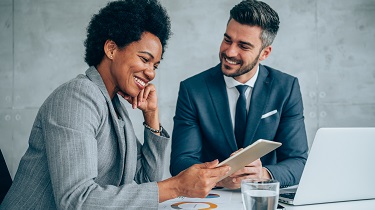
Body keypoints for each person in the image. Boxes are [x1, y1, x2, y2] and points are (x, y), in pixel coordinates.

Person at [0, 1, 230, 209]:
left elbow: (145, 183)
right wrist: (176, 186)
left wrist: (151, 118)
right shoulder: (77, 98)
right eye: (145, 59)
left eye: (156, 66)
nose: (151, 72)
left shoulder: (115, 107)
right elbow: (76, 201)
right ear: (111, 49)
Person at [170, 0, 308, 189]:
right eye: (227, 40)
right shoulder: (193, 90)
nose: (230, 51)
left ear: (264, 53)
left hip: (263, 198)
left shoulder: (286, 87)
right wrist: (220, 177)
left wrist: (263, 174)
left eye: (243, 46)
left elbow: (298, 161)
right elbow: (181, 162)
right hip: (212, 200)